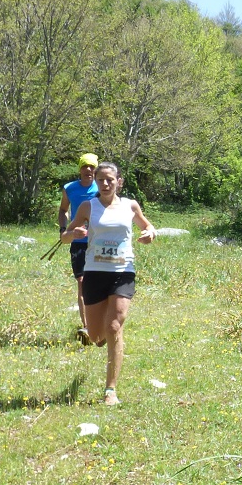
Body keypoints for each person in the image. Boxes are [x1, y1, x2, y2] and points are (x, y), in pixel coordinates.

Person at [60, 161, 155, 405]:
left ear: (119, 182)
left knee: (114, 326)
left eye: (109, 180)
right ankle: (99, 336)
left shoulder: (130, 205)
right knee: (95, 335)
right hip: (94, 271)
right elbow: (64, 237)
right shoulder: (86, 207)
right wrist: (74, 234)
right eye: (100, 179)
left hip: (123, 271)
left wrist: (149, 234)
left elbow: (147, 226)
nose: (104, 184)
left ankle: (110, 390)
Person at [58, 153, 99, 343]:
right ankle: (87, 327)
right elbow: (63, 209)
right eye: (85, 166)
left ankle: (99, 323)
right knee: (82, 282)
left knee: (99, 283)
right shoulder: (70, 188)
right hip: (78, 242)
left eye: (92, 167)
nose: (88, 170)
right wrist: (64, 229)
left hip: (99, 242)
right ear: (80, 169)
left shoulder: (103, 187)